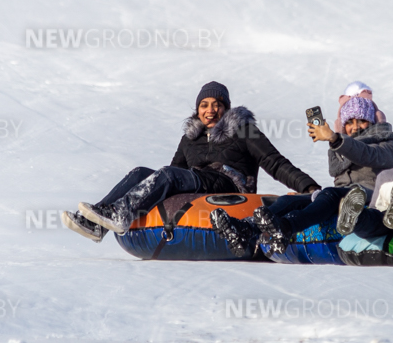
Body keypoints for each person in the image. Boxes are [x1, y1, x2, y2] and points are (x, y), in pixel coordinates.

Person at [63, 81, 320, 241]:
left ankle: (120, 214)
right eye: (204, 105)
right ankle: (98, 225)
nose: (210, 110)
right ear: (197, 110)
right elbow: (173, 173)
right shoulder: (191, 138)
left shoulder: (244, 130)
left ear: (226, 107)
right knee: (141, 171)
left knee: (169, 175)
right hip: (199, 185)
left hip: (229, 187)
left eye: (217, 104)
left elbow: (274, 162)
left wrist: (308, 188)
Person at [210, 91, 393, 255]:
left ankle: (286, 227)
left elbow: (369, 155)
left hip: (371, 194)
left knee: (330, 194)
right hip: (343, 194)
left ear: (373, 121)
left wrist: (336, 139)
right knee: (290, 200)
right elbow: (334, 169)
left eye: (362, 120)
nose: (355, 126)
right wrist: (335, 142)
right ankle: (246, 227)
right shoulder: (341, 142)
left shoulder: (388, 139)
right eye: (349, 122)